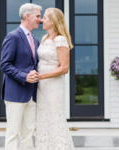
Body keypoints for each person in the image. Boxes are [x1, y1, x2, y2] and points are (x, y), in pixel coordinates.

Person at [0, 3, 42, 150]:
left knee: (28, 133)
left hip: (32, 94)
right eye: (37, 16)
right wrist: (24, 76)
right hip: (15, 94)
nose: (40, 19)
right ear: (27, 16)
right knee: (12, 133)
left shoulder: (36, 40)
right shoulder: (12, 37)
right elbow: (5, 65)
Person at [35, 8, 75, 149]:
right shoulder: (44, 38)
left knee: (54, 118)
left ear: (52, 21)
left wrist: (41, 76)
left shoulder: (60, 39)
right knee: (43, 118)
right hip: (42, 86)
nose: (41, 20)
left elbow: (64, 68)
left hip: (53, 85)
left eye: (44, 18)